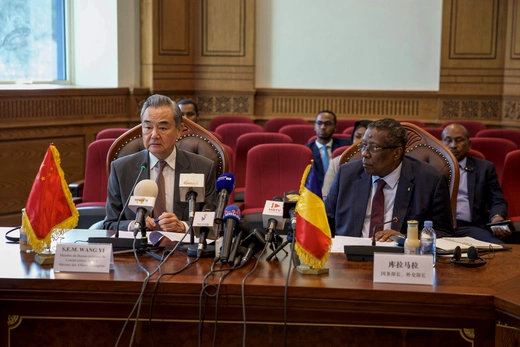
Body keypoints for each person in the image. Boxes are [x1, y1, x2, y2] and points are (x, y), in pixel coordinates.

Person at [325, 118, 454, 240]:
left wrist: (406, 237)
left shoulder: (430, 181)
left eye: (374, 148)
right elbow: (324, 222)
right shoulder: (347, 174)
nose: (364, 153)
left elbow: (444, 233)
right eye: (363, 146)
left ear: (397, 153)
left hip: (401, 258)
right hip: (350, 255)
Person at [103, 94, 217, 233]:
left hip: (183, 249)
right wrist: (132, 225)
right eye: (148, 127)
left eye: (162, 128)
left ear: (179, 130)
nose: (154, 135)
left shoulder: (203, 168)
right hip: (137, 249)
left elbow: (212, 221)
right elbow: (110, 223)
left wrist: (183, 226)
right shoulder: (121, 169)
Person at [441, 123, 509, 243]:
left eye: (459, 140)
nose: (453, 145)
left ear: (469, 145)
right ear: (441, 144)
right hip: (438, 227)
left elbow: (497, 200)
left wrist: (496, 217)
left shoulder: (484, 168)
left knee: (500, 248)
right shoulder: (431, 169)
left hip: (471, 227)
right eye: (448, 140)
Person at [322, 119, 371, 197]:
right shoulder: (336, 162)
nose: (361, 141)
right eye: (358, 137)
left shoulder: (379, 163)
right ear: (352, 139)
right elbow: (326, 195)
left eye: (366, 137)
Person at [305, 110, 351, 189]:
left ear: (335, 127)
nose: (323, 127)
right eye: (319, 123)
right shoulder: (306, 151)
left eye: (327, 124)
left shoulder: (345, 147)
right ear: (314, 126)